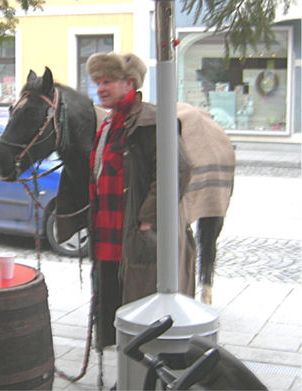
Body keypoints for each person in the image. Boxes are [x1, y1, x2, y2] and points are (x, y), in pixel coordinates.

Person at [85, 52, 195, 349]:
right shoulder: (109, 123)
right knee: (113, 312)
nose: (100, 88)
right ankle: (124, 371)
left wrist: (147, 219)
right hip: (108, 238)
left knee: (141, 315)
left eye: (107, 81)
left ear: (129, 82)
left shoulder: (152, 120)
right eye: (97, 82)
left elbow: (178, 170)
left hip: (136, 237)